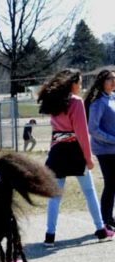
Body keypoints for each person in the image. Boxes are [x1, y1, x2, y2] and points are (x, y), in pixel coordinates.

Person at [37, 68, 113, 246]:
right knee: (89, 192)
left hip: (58, 151)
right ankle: (100, 229)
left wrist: (52, 150)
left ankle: (50, 235)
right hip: (75, 151)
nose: (80, 86)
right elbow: (81, 132)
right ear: (72, 84)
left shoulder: (53, 101)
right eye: (78, 82)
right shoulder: (76, 102)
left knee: (55, 196)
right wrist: (88, 158)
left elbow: (55, 132)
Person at [85, 68, 115, 230]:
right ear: (102, 82)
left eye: (114, 79)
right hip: (105, 150)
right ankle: (106, 220)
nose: (113, 82)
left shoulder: (113, 98)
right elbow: (93, 129)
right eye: (110, 79)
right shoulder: (98, 103)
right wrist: (113, 140)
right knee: (111, 184)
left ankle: (109, 217)